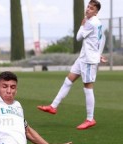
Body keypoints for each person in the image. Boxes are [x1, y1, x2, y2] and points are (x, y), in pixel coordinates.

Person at [37, 0, 106, 130]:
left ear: (96, 12)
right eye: (88, 7)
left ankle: (90, 119)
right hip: (83, 57)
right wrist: (99, 53)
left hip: (89, 60)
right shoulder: (98, 22)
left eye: (91, 8)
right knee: (68, 80)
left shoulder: (90, 23)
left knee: (88, 88)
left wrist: (81, 25)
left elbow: (78, 37)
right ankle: (53, 106)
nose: (88, 10)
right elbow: (103, 39)